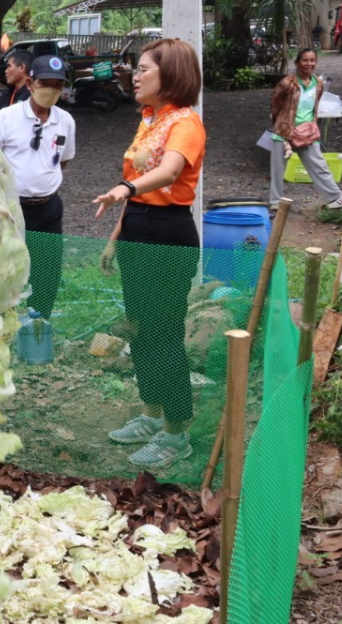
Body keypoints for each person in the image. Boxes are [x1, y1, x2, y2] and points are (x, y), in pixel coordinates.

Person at [93, 38, 206, 470]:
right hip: (137, 226)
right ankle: (152, 413)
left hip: (168, 234)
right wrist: (115, 236)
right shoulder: (149, 119)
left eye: (143, 69)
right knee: (139, 328)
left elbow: (169, 171)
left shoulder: (185, 123)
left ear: (170, 74)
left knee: (163, 334)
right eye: (135, 69)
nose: (135, 76)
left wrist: (124, 189)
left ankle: (177, 433)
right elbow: (139, 183)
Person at [0, 55, 76, 320]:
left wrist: (41, 182)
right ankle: (2, 324)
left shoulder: (66, 121)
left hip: (48, 208)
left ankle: (40, 325)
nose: (51, 90)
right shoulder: (6, 117)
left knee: (47, 271)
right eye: (45, 83)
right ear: (30, 83)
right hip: (11, 209)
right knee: (6, 269)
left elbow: (63, 160)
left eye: (58, 85)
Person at [269, 48, 342, 212]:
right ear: (297, 63)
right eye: (305, 60)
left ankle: (334, 198)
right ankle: (275, 202)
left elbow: (314, 106)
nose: (309, 64)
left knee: (319, 165)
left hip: (308, 131)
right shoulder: (286, 84)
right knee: (278, 169)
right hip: (284, 131)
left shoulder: (318, 84)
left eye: (312, 60)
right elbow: (275, 107)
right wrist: (280, 126)